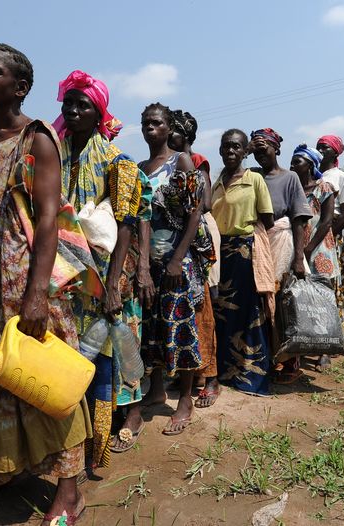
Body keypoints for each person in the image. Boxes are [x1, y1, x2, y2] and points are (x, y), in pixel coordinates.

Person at [0, 44, 89, 523]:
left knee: (44, 382)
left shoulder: (37, 138)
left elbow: (49, 220)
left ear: (20, 87)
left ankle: (69, 491)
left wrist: (36, 295)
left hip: (20, 283)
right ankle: (0, 471)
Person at [50, 70, 152, 464]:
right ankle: (66, 436)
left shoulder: (117, 161)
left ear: (100, 114)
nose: (73, 111)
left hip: (103, 273)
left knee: (105, 352)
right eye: (69, 103)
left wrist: (113, 286)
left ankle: (99, 444)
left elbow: (129, 221)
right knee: (67, 351)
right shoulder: (52, 152)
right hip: (61, 273)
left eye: (84, 105)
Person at [116, 103, 205, 438]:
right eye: (145, 123)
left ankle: (184, 399)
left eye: (156, 123)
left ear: (169, 127)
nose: (149, 128)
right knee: (151, 328)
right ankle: (155, 388)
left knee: (179, 326)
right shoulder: (139, 167)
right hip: (147, 262)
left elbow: (195, 213)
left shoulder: (179, 161)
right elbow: (139, 218)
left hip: (174, 260)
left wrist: (176, 260)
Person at [211, 129, 275, 396]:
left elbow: (267, 219)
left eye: (236, 147)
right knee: (223, 314)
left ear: (245, 151)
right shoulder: (217, 181)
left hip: (244, 252)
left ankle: (251, 376)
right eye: (226, 147)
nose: (230, 151)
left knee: (248, 313)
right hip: (218, 253)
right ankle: (225, 372)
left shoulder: (254, 180)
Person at [248, 128, 312, 383]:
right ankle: (267, 355)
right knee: (261, 301)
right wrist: (248, 149)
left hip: (281, 242)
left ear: (277, 149)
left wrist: (298, 257)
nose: (260, 156)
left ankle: (290, 362)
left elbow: (299, 219)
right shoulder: (250, 176)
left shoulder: (289, 178)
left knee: (283, 301)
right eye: (256, 151)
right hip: (258, 243)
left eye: (265, 150)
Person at [167, 110, 220, 408]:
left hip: (196, 237)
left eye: (173, 131)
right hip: (178, 237)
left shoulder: (196, 162)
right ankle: (190, 369)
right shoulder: (168, 163)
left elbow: (206, 203)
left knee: (202, 303)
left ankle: (209, 375)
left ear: (185, 136)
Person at [316, 135, 344, 336]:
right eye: (318, 147)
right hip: (311, 235)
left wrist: (328, 235)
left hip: (331, 236)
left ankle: (332, 335)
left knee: (332, 283)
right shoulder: (313, 174)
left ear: (335, 152)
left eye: (325, 147)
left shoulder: (341, 176)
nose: (320, 150)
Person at [292, 145, 339, 278]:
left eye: (297, 162)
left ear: (310, 165)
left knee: (322, 291)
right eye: (291, 162)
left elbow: (327, 221)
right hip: (298, 249)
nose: (292, 166)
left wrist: (309, 248)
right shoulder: (293, 189)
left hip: (319, 247)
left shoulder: (323, 188)